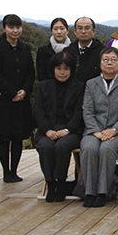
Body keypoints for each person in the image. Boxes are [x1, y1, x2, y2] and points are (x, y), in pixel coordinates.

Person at [80, 46, 118, 207]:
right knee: (89, 148)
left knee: (107, 149)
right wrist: (96, 132)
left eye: (113, 60)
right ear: (100, 63)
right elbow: (87, 110)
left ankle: (104, 192)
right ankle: (89, 192)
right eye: (106, 60)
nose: (109, 63)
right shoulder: (91, 84)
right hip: (93, 131)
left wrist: (115, 129)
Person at [33, 51, 85, 202]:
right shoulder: (43, 86)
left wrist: (67, 130)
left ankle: (61, 184)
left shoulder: (79, 87)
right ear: (53, 69)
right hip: (47, 129)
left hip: (71, 130)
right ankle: (51, 183)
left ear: (71, 70)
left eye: (66, 69)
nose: (62, 73)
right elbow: (38, 111)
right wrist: (47, 130)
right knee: (45, 146)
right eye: (59, 69)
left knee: (62, 146)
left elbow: (79, 112)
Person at [0, 14, 35, 183]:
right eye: (11, 27)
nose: (15, 31)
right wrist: (13, 92)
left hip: (22, 100)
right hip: (4, 100)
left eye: (18, 27)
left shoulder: (26, 48)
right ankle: (6, 172)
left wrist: (24, 91)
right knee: (4, 137)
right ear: (4, 28)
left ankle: (14, 170)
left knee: (18, 137)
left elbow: (31, 73)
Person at [35, 17, 72, 82]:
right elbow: (41, 75)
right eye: (55, 29)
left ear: (67, 31)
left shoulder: (73, 50)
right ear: (51, 31)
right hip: (47, 89)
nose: (59, 32)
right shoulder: (42, 51)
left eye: (62, 28)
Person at [71, 17, 105, 85]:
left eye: (87, 28)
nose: (83, 32)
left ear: (94, 31)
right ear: (75, 32)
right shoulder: (68, 51)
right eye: (80, 28)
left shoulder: (103, 52)